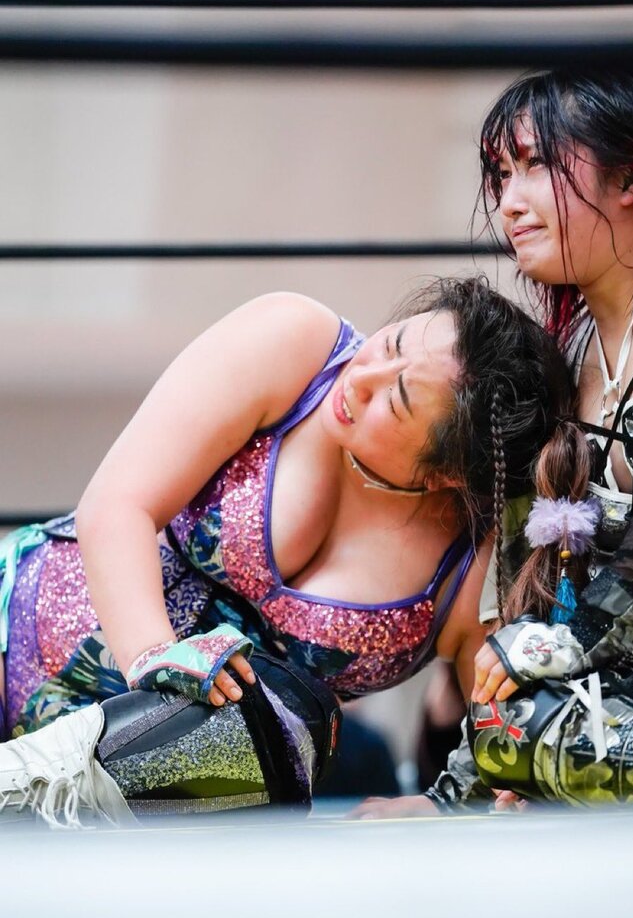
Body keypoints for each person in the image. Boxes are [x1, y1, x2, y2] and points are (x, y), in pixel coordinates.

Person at [0, 276, 572, 826]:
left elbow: (504, 739)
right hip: (17, 635)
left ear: (446, 475)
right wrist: (153, 656)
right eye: (392, 343)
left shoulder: (470, 569)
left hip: (158, 808)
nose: (362, 377)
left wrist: (444, 805)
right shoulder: (296, 344)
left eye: (395, 401)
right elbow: (117, 503)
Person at [355, 63, 633, 817]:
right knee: (507, 723)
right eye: (501, 175)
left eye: (535, 166)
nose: (508, 203)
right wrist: (459, 795)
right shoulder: (568, 354)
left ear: (631, 176)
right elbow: (532, 582)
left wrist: (579, 632)